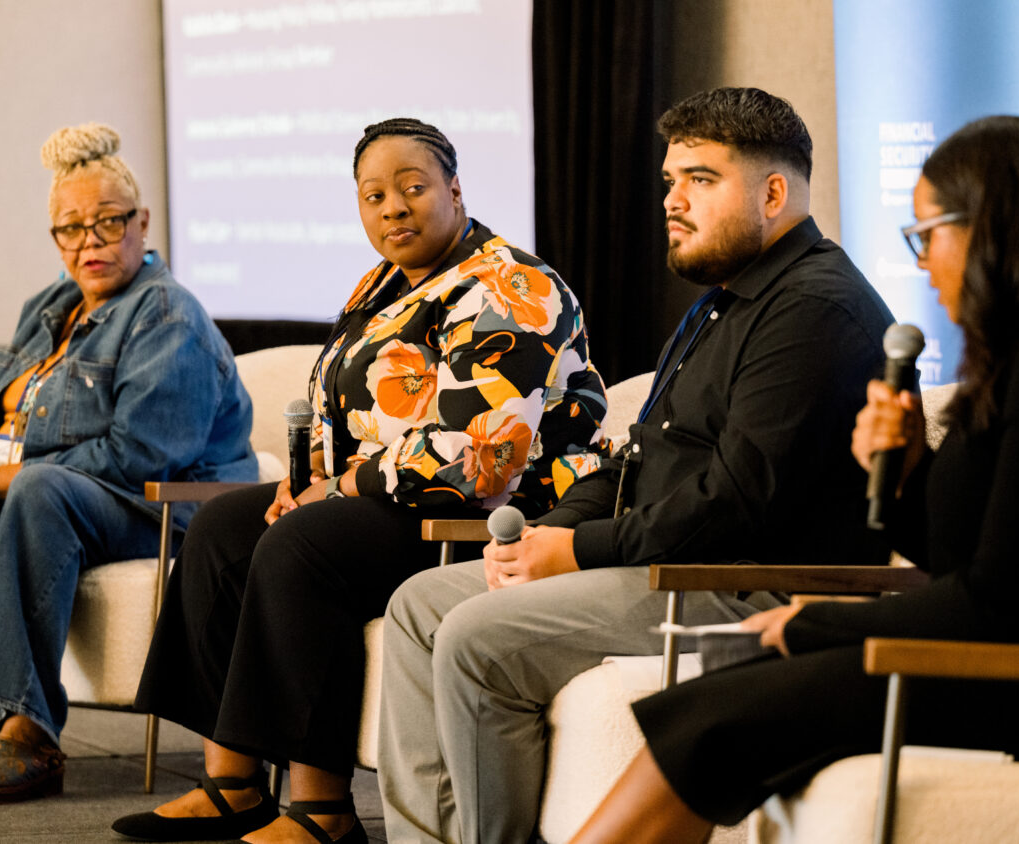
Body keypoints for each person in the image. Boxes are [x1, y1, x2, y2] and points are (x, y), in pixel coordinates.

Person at [565, 115, 1019, 844]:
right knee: (710, 707)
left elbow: (999, 602)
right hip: (1016, 661)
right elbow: (961, 561)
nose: (923, 261)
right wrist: (907, 475)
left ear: (993, 224)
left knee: (717, 719)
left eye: (927, 233)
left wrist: (812, 622)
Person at [378, 88, 895, 844]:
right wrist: (546, 538)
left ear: (774, 192)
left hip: (739, 583)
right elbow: (635, 454)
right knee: (418, 607)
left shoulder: (815, 309)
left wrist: (579, 551)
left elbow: (735, 503)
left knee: (474, 637)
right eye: (668, 182)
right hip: (663, 561)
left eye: (700, 180)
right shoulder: (722, 300)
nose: (673, 202)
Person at [109, 118, 607, 844]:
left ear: (456, 188)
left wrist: (338, 488)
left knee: (305, 545)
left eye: (412, 189)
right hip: (390, 498)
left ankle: (320, 811)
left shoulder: (512, 286)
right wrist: (304, 479)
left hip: (489, 515)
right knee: (222, 529)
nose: (392, 209)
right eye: (374, 196)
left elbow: (482, 456)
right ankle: (232, 783)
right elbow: (341, 412)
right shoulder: (382, 284)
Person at [0, 123, 257, 803]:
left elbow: (139, 458)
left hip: (156, 508)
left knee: (37, 489)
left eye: (107, 223)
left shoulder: (166, 316)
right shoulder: (49, 308)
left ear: (142, 222)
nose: (88, 243)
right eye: (69, 229)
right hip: (51, 500)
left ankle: (27, 733)